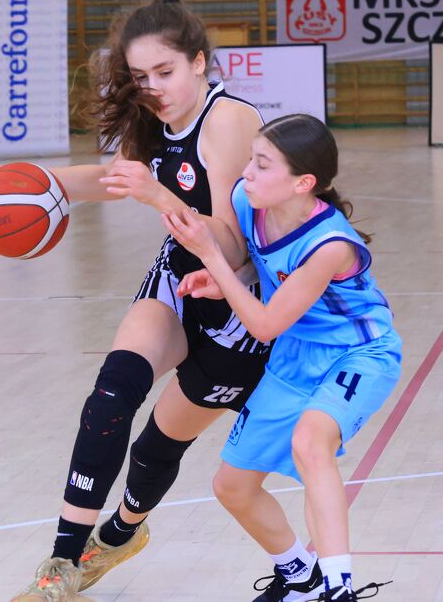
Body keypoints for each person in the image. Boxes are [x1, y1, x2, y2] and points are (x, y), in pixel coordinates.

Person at [0, 0, 301, 602]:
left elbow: (233, 248)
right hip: (178, 279)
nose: (152, 89)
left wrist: (158, 196)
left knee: (157, 447)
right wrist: (15, 185)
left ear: (198, 61)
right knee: (109, 398)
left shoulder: (230, 121)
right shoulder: (154, 116)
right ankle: (61, 565)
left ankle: (121, 534)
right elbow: (114, 179)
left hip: (239, 304)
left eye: (165, 72)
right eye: (140, 77)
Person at [163, 114, 401, 602]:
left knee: (311, 443)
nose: (246, 172)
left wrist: (212, 259)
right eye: (251, 159)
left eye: (262, 164)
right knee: (232, 486)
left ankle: (339, 588)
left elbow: (265, 325)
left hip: (358, 354)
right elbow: (267, 268)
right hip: (294, 356)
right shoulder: (247, 203)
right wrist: (230, 278)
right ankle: (300, 576)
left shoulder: (330, 244)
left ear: (303, 183)